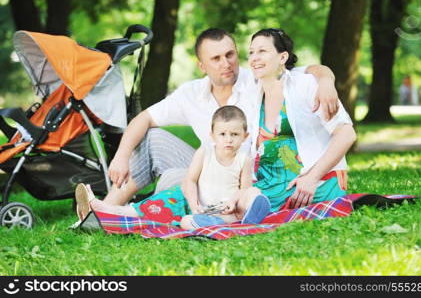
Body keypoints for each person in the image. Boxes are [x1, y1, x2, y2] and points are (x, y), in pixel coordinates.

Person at [89, 28, 340, 211]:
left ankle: (126, 214)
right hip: (209, 166)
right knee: (153, 138)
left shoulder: (257, 79)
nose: (227, 64)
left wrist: (327, 81)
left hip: (244, 176)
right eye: (216, 59)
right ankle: (104, 209)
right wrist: (121, 155)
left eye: (230, 55)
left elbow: (308, 71)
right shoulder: (191, 93)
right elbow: (143, 118)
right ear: (202, 66)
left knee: (172, 181)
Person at [75, 106, 270, 228]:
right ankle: (105, 208)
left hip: (221, 208)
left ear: (245, 137)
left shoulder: (243, 159)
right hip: (193, 202)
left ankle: (222, 221)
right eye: (223, 134)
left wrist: (234, 201)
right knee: (154, 205)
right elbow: (191, 180)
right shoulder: (205, 152)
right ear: (212, 135)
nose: (229, 139)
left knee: (251, 193)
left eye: (235, 135)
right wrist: (193, 202)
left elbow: (243, 189)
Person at [247, 28, 356, 211]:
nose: (254, 57)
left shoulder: (305, 84)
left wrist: (312, 177)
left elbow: (347, 134)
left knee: (242, 204)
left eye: (262, 51)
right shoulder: (253, 95)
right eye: (251, 52)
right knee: (227, 197)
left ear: (282, 57)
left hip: (313, 182)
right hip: (270, 182)